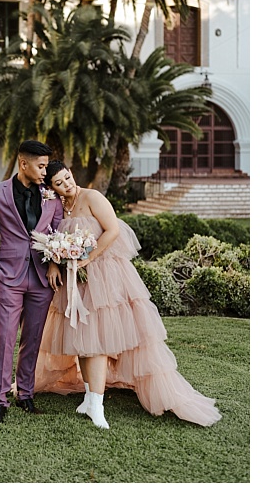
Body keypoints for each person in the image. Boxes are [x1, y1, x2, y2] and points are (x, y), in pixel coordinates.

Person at [34, 160, 221, 429]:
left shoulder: (92, 197)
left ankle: (97, 405)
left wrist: (88, 257)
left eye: (67, 177)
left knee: (96, 340)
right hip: (77, 280)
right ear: (51, 188)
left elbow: (113, 230)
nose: (67, 184)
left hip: (105, 276)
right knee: (82, 339)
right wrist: (60, 257)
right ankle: (89, 397)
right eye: (59, 183)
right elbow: (51, 238)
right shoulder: (59, 207)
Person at [0, 140, 64, 424]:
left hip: (41, 280)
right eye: (40, 166)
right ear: (23, 164)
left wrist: (54, 264)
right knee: (5, 340)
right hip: (9, 279)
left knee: (32, 339)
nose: (45, 171)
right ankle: (0, 401)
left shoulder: (51, 196)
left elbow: (57, 234)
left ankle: (25, 394)